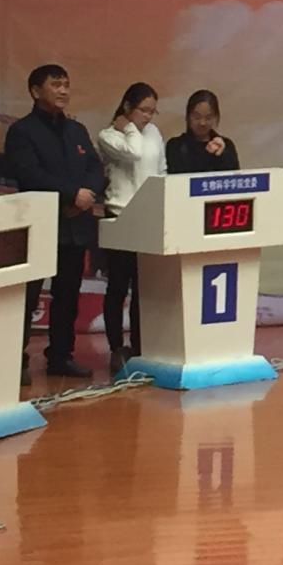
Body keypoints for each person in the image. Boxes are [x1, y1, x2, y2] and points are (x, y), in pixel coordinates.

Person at [4, 63, 108, 378]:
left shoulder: (76, 130)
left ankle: (61, 357)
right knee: (27, 296)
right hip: (40, 224)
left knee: (67, 295)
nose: (63, 91)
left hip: (75, 227)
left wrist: (87, 195)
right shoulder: (22, 131)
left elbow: (95, 168)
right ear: (36, 91)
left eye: (66, 84)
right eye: (55, 84)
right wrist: (72, 195)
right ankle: (14, 360)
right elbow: (29, 174)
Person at [95, 80, 165, 374]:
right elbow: (133, 152)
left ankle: (139, 346)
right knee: (118, 286)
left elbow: (161, 169)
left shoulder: (154, 132)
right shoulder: (108, 135)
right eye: (143, 110)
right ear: (127, 107)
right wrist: (130, 128)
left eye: (152, 111)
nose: (148, 117)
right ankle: (116, 346)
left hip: (147, 216)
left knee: (142, 287)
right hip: (120, 215)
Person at [165, 90, 242, 174]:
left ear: (216, 117)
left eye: (208, 118)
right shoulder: (175, 146)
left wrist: (222, 154)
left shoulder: (226, 145)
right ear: (188, 117)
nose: (202, 123)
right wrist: (206, 154)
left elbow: (234, 178)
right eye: (197, 117)